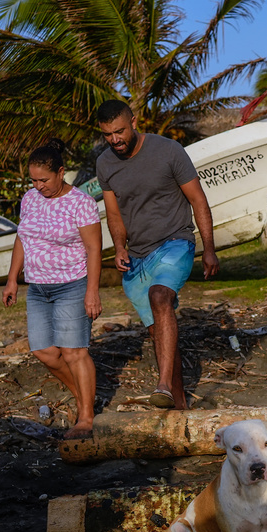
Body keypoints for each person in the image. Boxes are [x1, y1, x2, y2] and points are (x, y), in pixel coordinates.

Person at [95, 100, 220, 409]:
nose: (115, 140)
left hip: (175, 242)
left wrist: (209, 249)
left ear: (133, 122)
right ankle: (178, 404)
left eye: (120, 131)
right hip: (136, 257)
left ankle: (162, 384)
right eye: (108, 135)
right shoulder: (105, 164)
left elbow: (198, 201)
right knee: (161, 334)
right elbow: (113, 214)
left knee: (160, 297)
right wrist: (120, 246)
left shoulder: (168, 150)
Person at [3, 140, 102, 439]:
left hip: (72, 284)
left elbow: (94, 249)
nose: (38, 185)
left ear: (61, 173)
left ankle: (86, 418)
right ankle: (85, 398)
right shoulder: (30, 199)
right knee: (44, 351)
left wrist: (92, 291)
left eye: (44, 180)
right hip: (37, 287)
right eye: (33, 180)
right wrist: (12, 279)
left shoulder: (81, 203)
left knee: (74, 352)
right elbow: (23, 238)